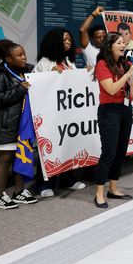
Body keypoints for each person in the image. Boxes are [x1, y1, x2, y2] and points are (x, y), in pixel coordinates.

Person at [93, 32, 133, 208]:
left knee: (121, 151)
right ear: (110, 46)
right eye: (119, 43)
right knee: (108, 152)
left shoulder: (125, 63)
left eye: (124, 42)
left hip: (125, 110)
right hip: (109, 111)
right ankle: (99, 193)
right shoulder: (102, 65)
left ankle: (113, 188)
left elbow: (132, 89)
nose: (123, 45)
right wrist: (128, 73)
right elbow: (111, 89)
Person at [32, 27, 87, 196]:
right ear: (54, 42)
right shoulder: (44, 63)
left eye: (69, 39)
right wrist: (51, 76)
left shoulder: (68, 62)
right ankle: (45, 184)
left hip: (68, 114)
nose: (68, 42)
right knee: (49, 149)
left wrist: (86, 73)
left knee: (68, 147)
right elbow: (36, 87)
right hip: (50, 116)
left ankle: (67, 179)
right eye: (64, 40)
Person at [0, 39, 38, 209]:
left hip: (23, 125)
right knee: (5, 160)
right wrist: (20, 89)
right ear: (8, 59)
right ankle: (0, 196)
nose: (24, 57)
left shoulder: (29, 71)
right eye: (19, 55)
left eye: (24, 54)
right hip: (5, 125)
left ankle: (19, 192)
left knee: (21, 157)